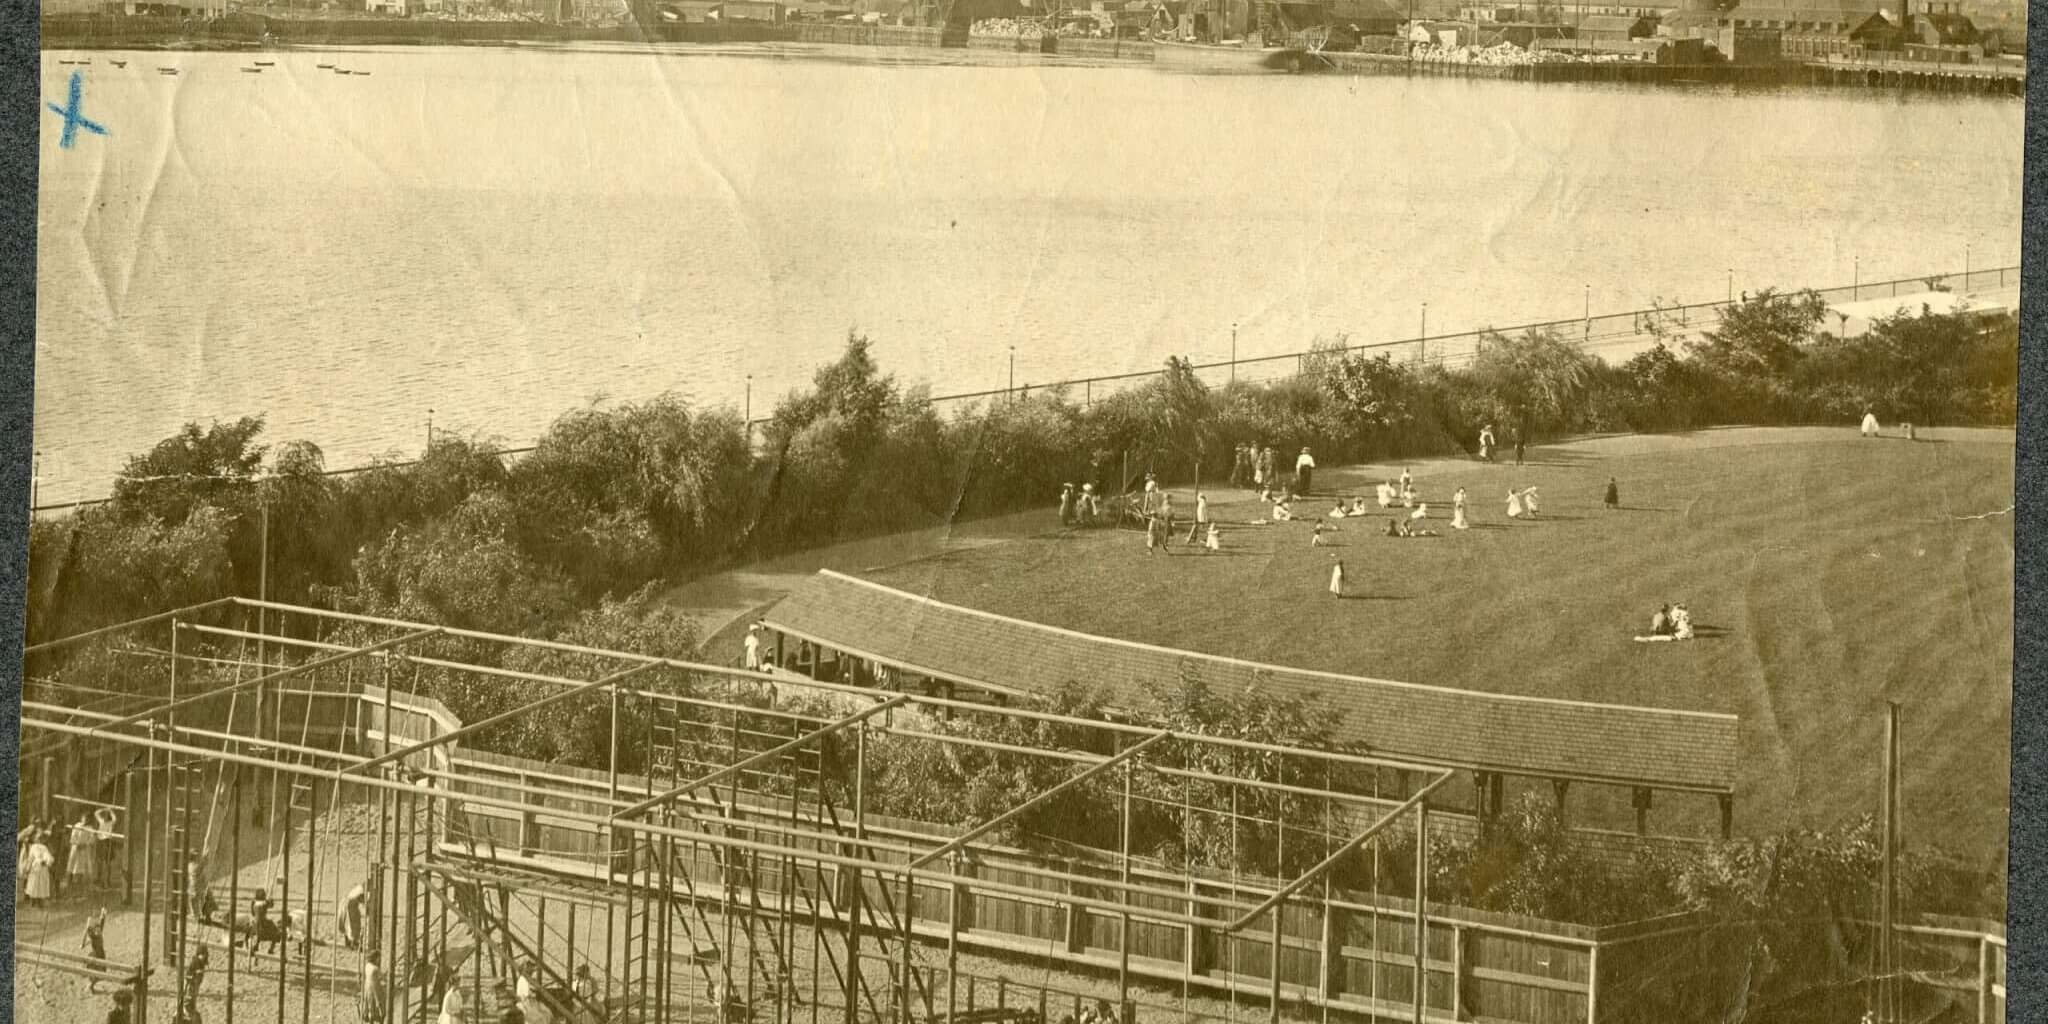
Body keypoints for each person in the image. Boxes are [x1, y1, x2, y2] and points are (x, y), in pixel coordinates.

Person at [22, 829, 55, 908]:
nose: (39, 839)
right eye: (38, 838)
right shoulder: (33, 847)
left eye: (41, 838)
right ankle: (33, 901)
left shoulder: (44, 847)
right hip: (35, 867)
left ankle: (40, 901)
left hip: (43, 867)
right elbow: (30, 858)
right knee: (34, 884)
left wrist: (47, 861)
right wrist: (27, 868)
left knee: (42, 884)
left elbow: (49, 856)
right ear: (35, 839)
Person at [70, 813, 98, 893]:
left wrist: (85, 844)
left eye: (87, 819)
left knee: (86, 865)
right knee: (74, 864)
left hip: (85, 849)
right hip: (76, 847)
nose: (85, 820)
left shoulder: (90, 828)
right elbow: (72, 837)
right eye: (84, 818)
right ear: (81, 818)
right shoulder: (76, 826)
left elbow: (92, 839)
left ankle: (86, 883)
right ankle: (73, 881)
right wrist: (77, 843)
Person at [339, 880, 368, 951]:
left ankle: (348, 942)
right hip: (349, 906)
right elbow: (362, 901)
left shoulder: (358, 888)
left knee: (347, 924)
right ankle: (354, 943)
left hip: (345, 904)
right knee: (354, 924)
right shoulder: (361, 891)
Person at [360, 952, 388, 1024]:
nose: (379, 959)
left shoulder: (367, 966)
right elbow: (382, 978)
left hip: (368, 988)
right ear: (375, 958)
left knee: (370, 1007)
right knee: (381, 1007)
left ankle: (370, 1020)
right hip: (375, 990)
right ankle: (381, 1021)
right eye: (378, 958)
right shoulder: (375, 969)